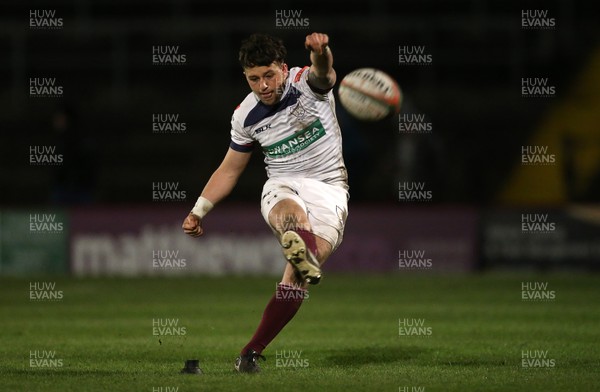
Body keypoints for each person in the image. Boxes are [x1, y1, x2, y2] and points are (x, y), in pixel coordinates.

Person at [182, 32, 349, 373]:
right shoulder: (245, 116)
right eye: (254, 79)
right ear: (246, 78)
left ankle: (250, 354)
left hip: (330, 188)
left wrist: (321, 50)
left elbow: (324, 72)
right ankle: (300, 244)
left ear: (284, 69)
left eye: (269, 75)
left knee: (298, 278)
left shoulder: (306, 84)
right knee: (291, 215)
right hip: (282, 184)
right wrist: (199, 209)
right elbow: (229, 170)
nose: (263, 86)